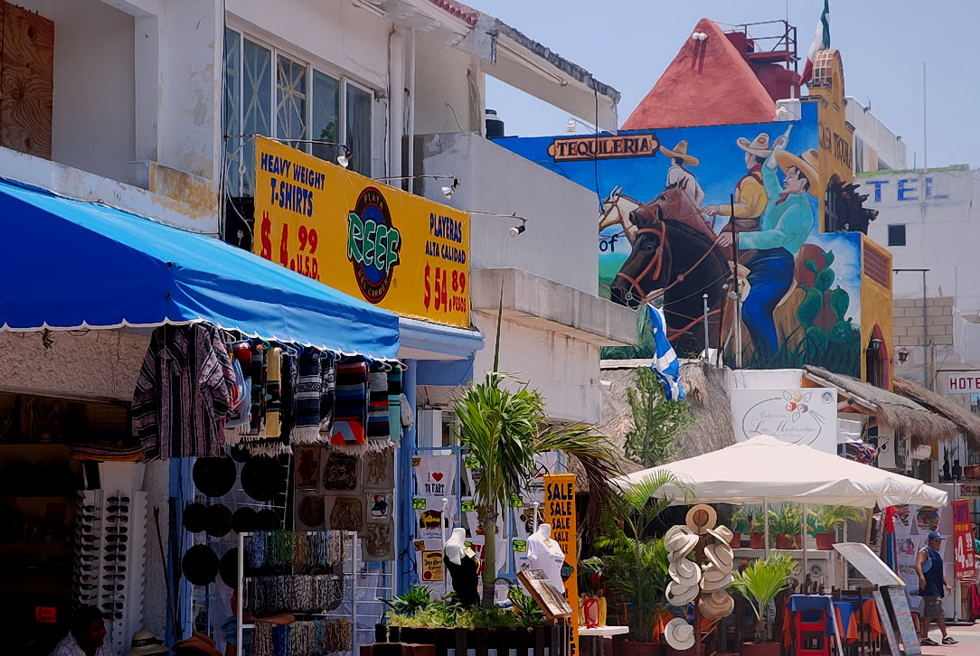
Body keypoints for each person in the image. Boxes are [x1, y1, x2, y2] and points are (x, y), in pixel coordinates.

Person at [716, 127, 817, 359]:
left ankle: (770, 358)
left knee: (754, 309)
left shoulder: (800, 209)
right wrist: (778, 150)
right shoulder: (781, 197)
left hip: (778, 264)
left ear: (803, 182)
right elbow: (769, 172)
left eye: (791, 175)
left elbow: (777, 236)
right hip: (760, 257)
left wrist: (738, 238)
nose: (786, 177)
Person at [703, 132, 771, 231]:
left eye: (746, 154)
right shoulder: (765, 178)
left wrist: (719, 209)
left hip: (741, 228)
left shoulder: (750, 180)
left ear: (752, 156)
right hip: (755, 227)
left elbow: (747, 209)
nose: (745, 157)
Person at [916, 530, 957, 645]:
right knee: (938, 611)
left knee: (929, 612)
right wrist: (921, 578)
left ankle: (925, 637)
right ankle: (945, 636)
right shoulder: (925, 552)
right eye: (936, 541)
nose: (939, 543)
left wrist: (946, 584)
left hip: (936, 586)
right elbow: (917, 564)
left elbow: (938, 572)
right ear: (930, 541)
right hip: (930, 587)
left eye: (940, 541)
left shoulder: (936, 553)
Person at [661, 141, 704, 206]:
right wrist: (694, 206)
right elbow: (701, 194)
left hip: (677, 207)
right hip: (690, 208)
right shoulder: (690, 176)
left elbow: (671, 191)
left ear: (673, 160)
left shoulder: (673, 171)